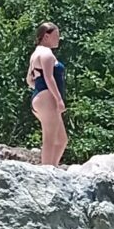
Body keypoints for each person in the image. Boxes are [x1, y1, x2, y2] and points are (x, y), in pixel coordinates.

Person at [26, 21, 67, 165]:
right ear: (46, 36)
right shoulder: (46, 54)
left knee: (61, 139)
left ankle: (52, 167)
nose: (58, 39)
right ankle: (46, 169)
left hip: (39, 96)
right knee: (50, 138)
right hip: (46, 97)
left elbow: (29, 80)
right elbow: (49, 78)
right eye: (56, 36)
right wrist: (58, 99)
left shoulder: (35, 54)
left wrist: (39, 90)